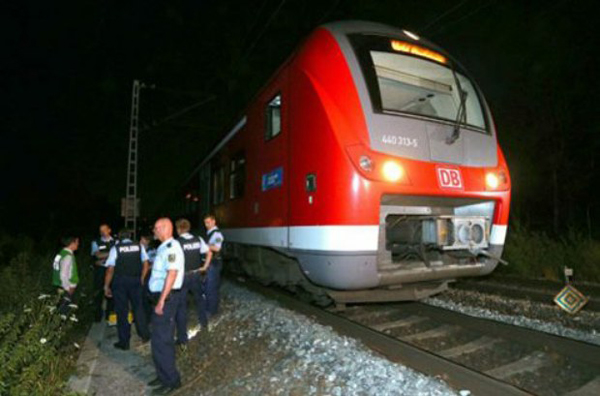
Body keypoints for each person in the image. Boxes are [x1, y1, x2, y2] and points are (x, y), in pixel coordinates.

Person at [147, 218, 184, 395]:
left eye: (155, 228)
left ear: (164, 229)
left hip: (167, 299)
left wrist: (161, 300)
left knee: (164, 340)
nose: (154, 231)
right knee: (157, 339)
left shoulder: (172, 248)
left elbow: (172, 273)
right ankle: (162, 375)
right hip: (161, 298)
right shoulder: (163, 247)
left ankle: (171, 381)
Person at [104, 229, 151, 350]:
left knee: (122, 311)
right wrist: (142, 277)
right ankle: (145, 335)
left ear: (119, 237)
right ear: (130, 236)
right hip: (135, 281)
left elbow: (110, 269)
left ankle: (124, 342)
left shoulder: (116, 248)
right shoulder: (139, 246)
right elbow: (146, 263)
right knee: (138, 308)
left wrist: (106, 286)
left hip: (120, 282)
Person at [174, 218, 212, 344]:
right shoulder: (198, 239)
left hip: (182, 277)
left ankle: (182, 338)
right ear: (189, 228)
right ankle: (204, 324)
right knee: (199, 300)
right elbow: (209, 252)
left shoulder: (177, 243)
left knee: (181, 306)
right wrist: (205, 267)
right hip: (196, 275)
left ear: (179, 229)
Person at [91, 224, 116, 323]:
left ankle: (109, 315)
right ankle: (98, 315)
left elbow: (117, 255)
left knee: (112, 292)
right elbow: (97, 255)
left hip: (112, 269)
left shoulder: (116, 241)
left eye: (104, 230)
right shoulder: (95, 242)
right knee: (98, 293)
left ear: (109, 230)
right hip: (100, 270)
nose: (102, 232)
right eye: (100, 230)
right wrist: (112, 253)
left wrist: (104, 256)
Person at [203, 214, 224, 318]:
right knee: (208, 287)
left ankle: (212, 311)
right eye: (206, 222)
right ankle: (210, 309)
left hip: (214, 263)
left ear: (214, 222)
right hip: (210, 263)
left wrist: (204, 245)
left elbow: (217, 248)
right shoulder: (209, 233)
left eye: (209, 222)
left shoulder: (217, 234)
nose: (207, 224)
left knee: (211, 288)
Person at [52, 236, 80, 315]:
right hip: (66, 288)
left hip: (58, 285)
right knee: (64, 313)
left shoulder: (60, 254)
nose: (78, 244)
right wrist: (68, 289)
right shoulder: (68, 256)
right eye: (77, 242)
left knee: (59, 311)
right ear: (72, 243)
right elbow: (63, 274)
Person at [140, 233, 157, 326]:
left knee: (146, 297)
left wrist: (145, 267)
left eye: (142, 240)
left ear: (147, 241)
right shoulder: (140, 250)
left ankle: (149, 318)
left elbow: (153, 263)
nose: (140, 242)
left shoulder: (151, 250)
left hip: (149, 276)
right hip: (143, 275)